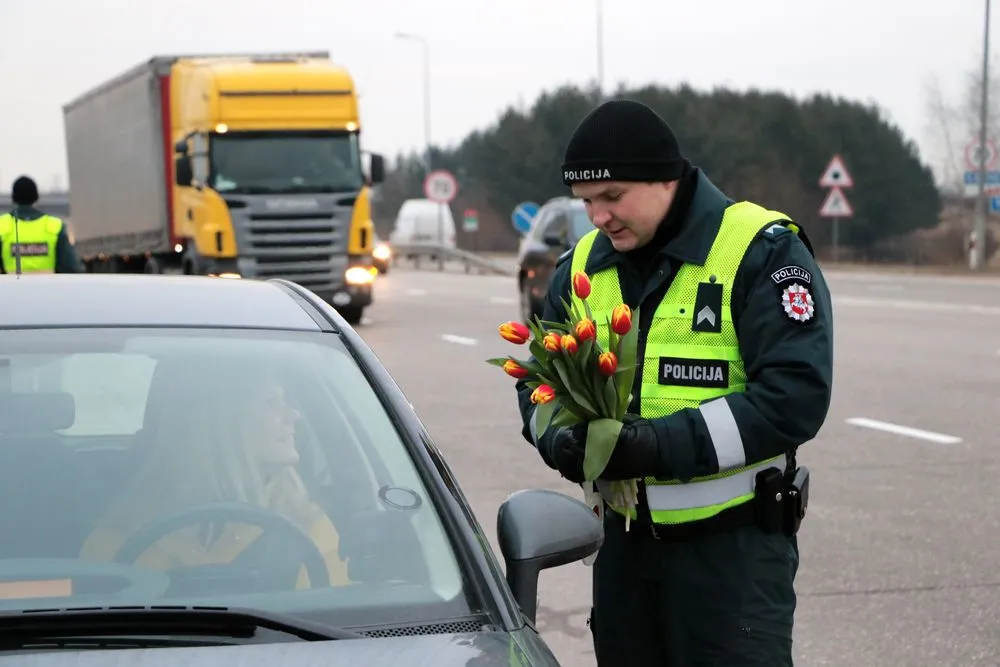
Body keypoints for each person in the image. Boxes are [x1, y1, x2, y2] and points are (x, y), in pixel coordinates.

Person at [514, 99, 833, 666]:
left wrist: (656, 446)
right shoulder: (581, 264)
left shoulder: (760, 251)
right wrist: (559, 441)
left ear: (667, 178)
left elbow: (793, 399)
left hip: (733, 556)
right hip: (623, 554)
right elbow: (537, 384)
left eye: (613, 197)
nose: (599, 218)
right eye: (587, 202)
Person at [80, 363, 352, 591]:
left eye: (286, 402)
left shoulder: (306, 527)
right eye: (272, 402)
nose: (294, 414)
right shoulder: (121, 534)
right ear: (223, 424)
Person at [0, 175, 83, 274]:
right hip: (48, 289)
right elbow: (71, 268)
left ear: (13, 198)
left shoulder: (2, 225)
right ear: (36, 198)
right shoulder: (54, 226)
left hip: (11, 289)